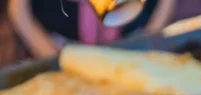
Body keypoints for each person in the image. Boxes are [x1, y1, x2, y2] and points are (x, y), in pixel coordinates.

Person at [8, 0, 177, 58]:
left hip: (135, 46)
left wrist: (145, 44)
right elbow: (19, 13)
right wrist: (56, 60)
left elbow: (155, 26)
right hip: (59, 47)